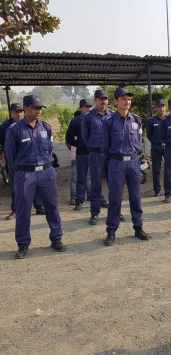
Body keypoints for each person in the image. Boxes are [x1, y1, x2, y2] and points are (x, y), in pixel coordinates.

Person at [5, 95, 66, 259]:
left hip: (46, 173)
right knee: (23, 210)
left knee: (52, 207)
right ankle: (23, 244)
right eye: (34, 108)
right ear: (25, 108)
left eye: (40, 108)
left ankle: (56, 238)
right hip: (25, 174)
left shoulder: (46, 127)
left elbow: (49, 149)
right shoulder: (14, 130)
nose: (38, 111)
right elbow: (10, 155)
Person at [101, 87, 149, 245]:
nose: (127, 101)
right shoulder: (108, 121)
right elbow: (104, 146)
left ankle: (138, 227)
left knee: (135, 196)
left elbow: (139, 141)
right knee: (115, 198)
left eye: (129, 99)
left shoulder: (136, 120)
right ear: (116, 101)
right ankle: (111, 231)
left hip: (133, 163)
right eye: (123, 99)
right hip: (116, 163)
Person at [0, 103, 45, 220]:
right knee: (16, 185)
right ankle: (15, 210)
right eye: (17, 112)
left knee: (36, 182)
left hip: (30, 158)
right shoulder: (6, 126)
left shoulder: (29, 123)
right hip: (15, 160)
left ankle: (39, 206)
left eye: (21, 111)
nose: (19, 114)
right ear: (11, 113)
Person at [81, 89, 113, 225]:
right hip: (95, 154)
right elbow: (85, 136)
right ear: (95, 100)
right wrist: (94, 147)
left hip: (111, 155)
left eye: (105, 99)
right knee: (96, 184)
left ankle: (115, 211)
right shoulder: (89, 117)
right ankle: (94, 213)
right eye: (101, 99)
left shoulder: (113, 115)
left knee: (114, 184)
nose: (103, 101)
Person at [146, 99, 171, 197]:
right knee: (156, 170)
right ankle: (157, 190)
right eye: (159, 107)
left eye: (163, 106)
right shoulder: (152, 121)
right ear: (156, 108)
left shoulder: (169, 119)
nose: (162, 108)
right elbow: (149, 135)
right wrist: (156, 141)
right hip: (156, 147)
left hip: (168, 147)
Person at [65, 100, 93, 210]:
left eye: (90, 106)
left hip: (94, 153)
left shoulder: (95, 119)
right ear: (81, 108)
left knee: (94, 177)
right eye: (86, 107)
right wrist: (79, 144)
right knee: (80, 178)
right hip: (81, 153)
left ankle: (95, 198)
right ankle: (79, 201)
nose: (88, 109)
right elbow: (69, 137)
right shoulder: (76, 121)